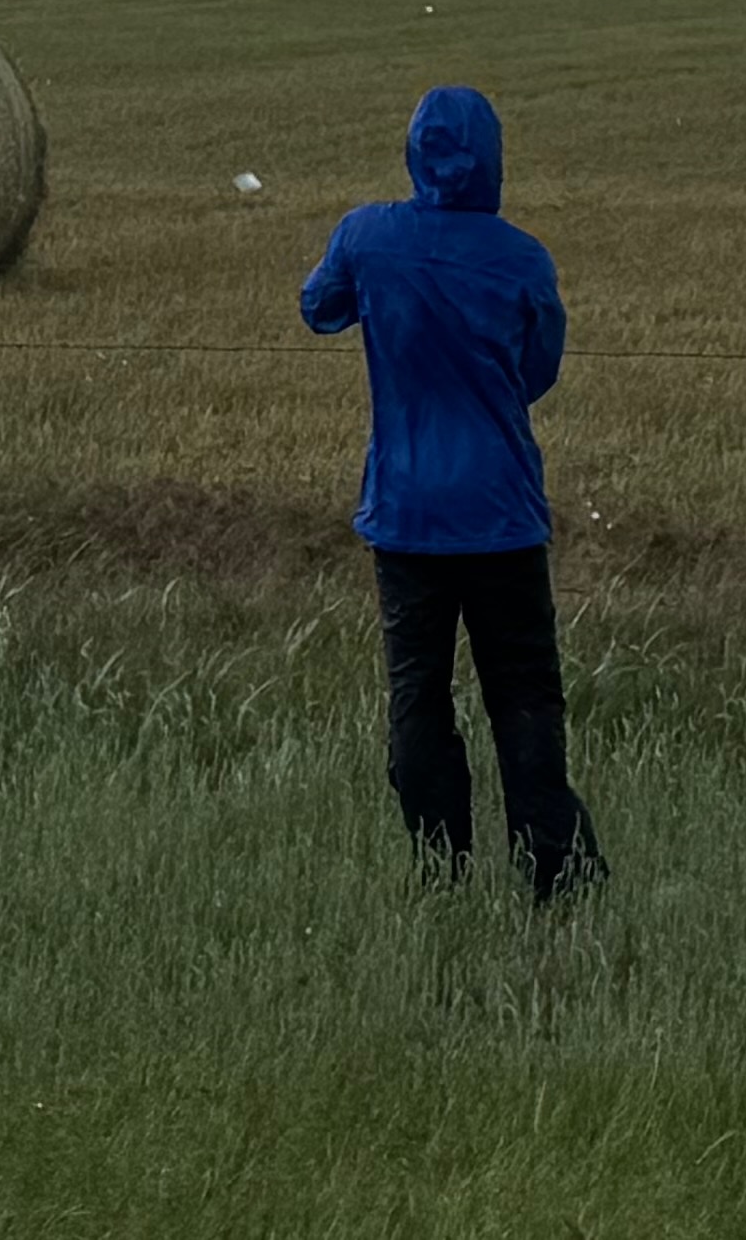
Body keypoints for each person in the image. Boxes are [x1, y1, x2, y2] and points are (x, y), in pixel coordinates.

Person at [295, 85, 596, 898]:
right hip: (501, 512)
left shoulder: (368, 236)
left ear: (414, 154)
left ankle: (440, 865)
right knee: (525, 694)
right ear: (494, 160)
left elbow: (318, 308)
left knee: (418, 695)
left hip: (405, 511)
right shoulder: (523, 258)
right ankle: (554, 867)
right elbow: (538, 370)